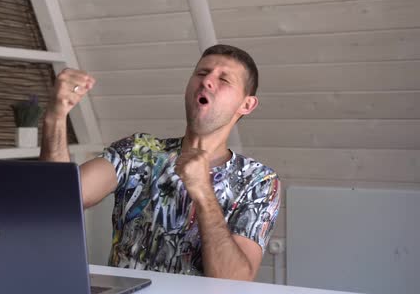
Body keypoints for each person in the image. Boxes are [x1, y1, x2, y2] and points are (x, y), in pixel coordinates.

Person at [40, 44, 281, 281]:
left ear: (246, 104)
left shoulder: (259, 181)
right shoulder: (138, 151)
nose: (207, 81)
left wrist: (204, 193)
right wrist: (55, 117)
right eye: (202, 73)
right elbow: (58, 199)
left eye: (224, 79)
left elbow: (233, 282)